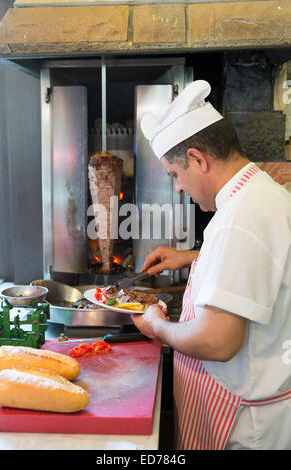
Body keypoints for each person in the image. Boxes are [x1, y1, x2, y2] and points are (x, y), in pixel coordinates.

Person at [132, 80, 291, 450]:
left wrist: (159, 326)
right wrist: (192, 258)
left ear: (198, 159)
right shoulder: (260, 195)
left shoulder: (243, 216)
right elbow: (262, 265)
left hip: (247, 429)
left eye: (175, 174)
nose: (178, 189)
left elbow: (217, 341)